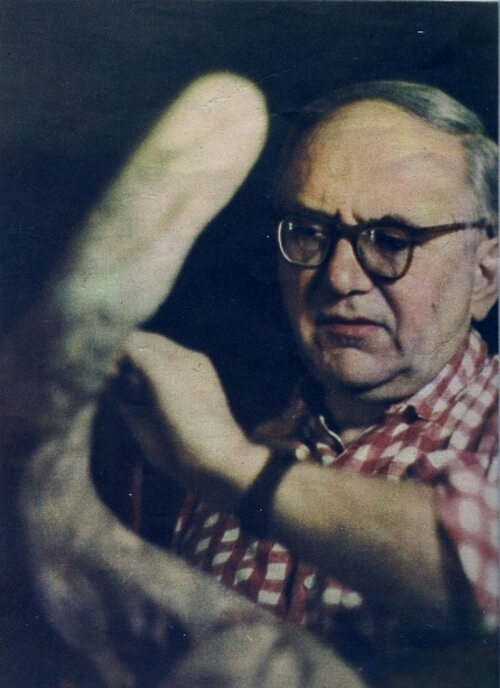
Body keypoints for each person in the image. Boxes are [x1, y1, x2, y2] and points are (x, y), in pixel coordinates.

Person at [113, 80, 498, 681]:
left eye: (391, 240)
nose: (340, 277)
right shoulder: (227, 461)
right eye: (310, 232)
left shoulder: (224, 460)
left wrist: (236, 467)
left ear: (484, 277)